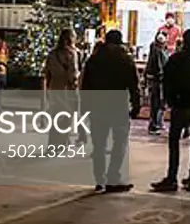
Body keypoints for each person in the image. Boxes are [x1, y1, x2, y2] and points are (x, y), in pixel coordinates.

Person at [151, 28, 190, 193]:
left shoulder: (176, 58)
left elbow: (167, 81)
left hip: (180, 104)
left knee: (174, 142)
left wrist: (170, 101)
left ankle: (172, 177)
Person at [80, 29, 141, 193]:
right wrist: (136, 105)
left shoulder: (94, 59)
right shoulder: (125, 59)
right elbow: (134, 84)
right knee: (119, 142)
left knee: (99, 144)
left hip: (97, 105)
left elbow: (85, 86)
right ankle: (113, 177)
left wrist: (84, 108)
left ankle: (99, 179)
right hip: (118, 105)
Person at [43, 29, 80, 147]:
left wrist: (48, 86)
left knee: (55, 115)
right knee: (66, 116)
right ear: (71, 39)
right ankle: (63, 141)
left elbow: (47, 71)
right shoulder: (71, 54)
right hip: (66, 89)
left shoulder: (52, 53)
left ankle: (53, 142)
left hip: (54, 86)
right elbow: (73, 74)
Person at [145, 31, 170, 135]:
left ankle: (157, 123)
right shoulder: (158, 52)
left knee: (158, 103)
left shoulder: (156, 50)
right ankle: (155, 125)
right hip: (158, 81)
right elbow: (160, 67)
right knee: (158, 103)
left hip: (157, 80)